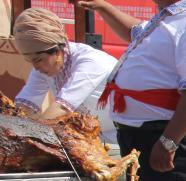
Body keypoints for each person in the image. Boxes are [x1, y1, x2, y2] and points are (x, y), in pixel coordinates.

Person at [77, 0, 186, 181]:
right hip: (143, 135)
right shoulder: (169, 18)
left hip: (166, 136)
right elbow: (134, 32)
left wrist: (168, 142)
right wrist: (102, 6)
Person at [12, 8, 118, 143]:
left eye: (37, 60)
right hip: (85, 140)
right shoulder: (44, 67)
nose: (36, 67)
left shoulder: (91, 61)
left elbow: (62, 107)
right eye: (30, 61)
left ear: (56, 51)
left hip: (117, 139)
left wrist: (28, 136)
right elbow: (25, 105)